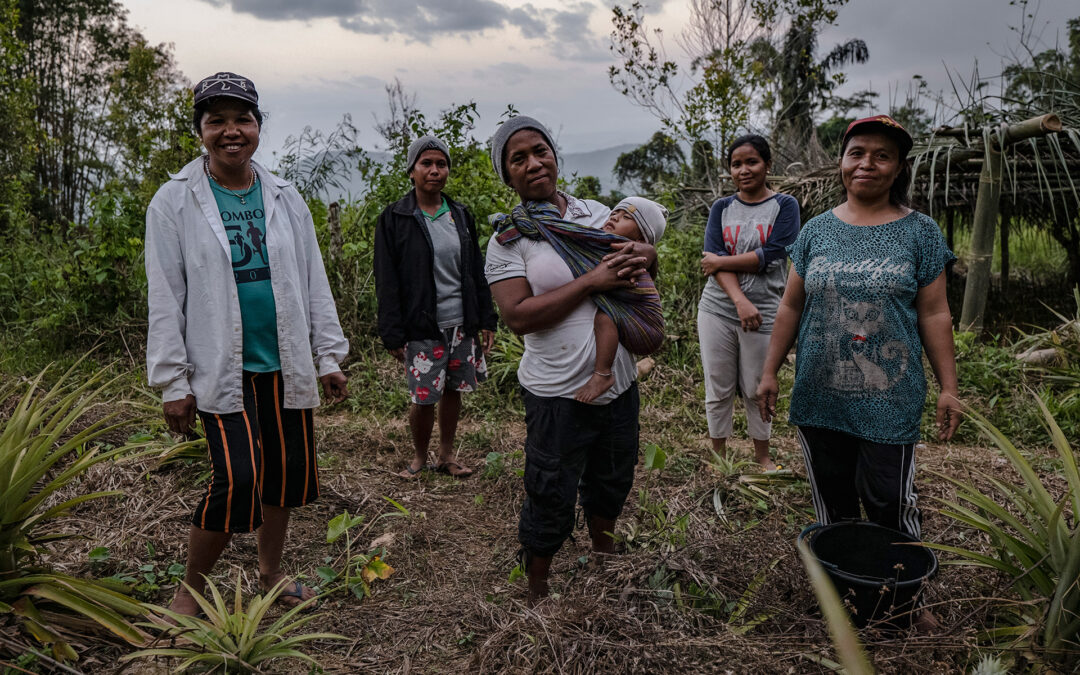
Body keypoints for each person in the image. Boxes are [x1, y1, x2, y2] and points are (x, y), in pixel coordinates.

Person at [145, 72, 349, 616]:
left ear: (259, 126)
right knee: (237, 478)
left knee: (281, 477)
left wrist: (327, 355)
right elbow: (166, 296)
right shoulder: (174, 202)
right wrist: (172, 380)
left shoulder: (285, 196)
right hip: (220, 368)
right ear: (200, 131)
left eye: (243, 120)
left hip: (284, 363)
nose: (231, 131)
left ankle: (271, 573)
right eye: (217, 121)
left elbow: (313, 280)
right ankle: (189, 591)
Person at [756, 114, 960, 544]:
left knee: (891, 501)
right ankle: (845, 596)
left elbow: (935, 314)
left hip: (891, 395)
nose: (867, 163)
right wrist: (770, 371)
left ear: (900, 167)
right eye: (857, 153)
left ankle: (905, 601)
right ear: (842, 162)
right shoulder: (816, 231)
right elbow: (792, 305)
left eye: (882, 156)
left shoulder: (920, 232)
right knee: (834, 506)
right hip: (820, 394)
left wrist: (949, 387)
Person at [483, 116, 656, 604]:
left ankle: (604, 559)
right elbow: (517, 316)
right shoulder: (508, 242)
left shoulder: (595, 214)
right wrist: (590, 283)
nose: (534, 163)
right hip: (555, 391)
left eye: (540, 150)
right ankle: (537, 585)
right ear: (507, 174)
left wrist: (645, 252)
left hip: (618, 382)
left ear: (555, 155)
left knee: (612, 479)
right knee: (549, 489)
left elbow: (639, 261)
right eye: (519, 158)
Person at [374, 135, 497, 479]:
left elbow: (475, 270)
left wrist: (486, 318)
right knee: (425, 396)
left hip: (462, 322)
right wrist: (392, 332)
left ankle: (446, 456)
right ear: (411, 171)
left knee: (454, 389)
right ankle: (418, 457)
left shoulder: (459, 214)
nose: (434, 170)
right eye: (426, 164)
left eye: (441, 164)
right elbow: (387, 280)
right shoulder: (395, 218)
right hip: (422, 325)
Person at [698, 135, 800, 471]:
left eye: (751, 162)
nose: (743, 170)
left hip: (766, 310)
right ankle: (718, 456)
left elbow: (771, 257)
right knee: (719, 385)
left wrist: (721, 262)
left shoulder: (785, 206)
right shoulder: (721, 208)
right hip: (717, 308)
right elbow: (712, 260)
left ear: (768, 165)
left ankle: (762, 456)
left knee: (758, 385)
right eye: (736, 164)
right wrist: (740, 300)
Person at [578, 196, 668, 403]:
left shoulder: (626, 258)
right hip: (641, 328)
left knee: (604, 317)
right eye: (614, 213)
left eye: (626, 217)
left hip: (647, 328)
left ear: (640, 240)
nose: (615, 218)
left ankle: (602, 374)